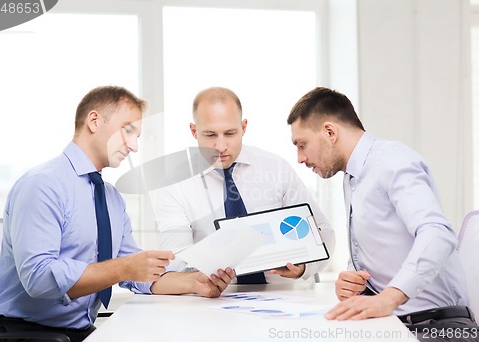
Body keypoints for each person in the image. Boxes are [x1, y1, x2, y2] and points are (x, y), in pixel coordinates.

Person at [287, 86, 478, 341]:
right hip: (391, 324)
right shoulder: (352, 177)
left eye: (302, 145)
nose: (300, 158)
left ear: (330, 132)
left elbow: (438, 234)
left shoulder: (391, 161)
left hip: (438, 326)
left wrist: (389, 298)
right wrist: (352, 280)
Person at [0, 86, 177, 342]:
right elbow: (39, 278)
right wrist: (124, 268)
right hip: (28, 336)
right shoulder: (43, 184)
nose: (133, 146)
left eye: (137, 137)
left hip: (81, 333)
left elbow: (136, 271)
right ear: (94, 121)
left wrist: (196, 283)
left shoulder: (111, 198)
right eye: (128, 131)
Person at [150, 86, 335, 297]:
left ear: (244, 127)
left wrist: (303, 267)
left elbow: (324, 233)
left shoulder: (276, 168)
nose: (220, 146)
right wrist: (199, 278)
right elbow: (177, 265)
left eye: (230, 133)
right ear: (194, 131)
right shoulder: (174, 185)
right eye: (210, 134)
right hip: (216, 304)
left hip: (285, 296)